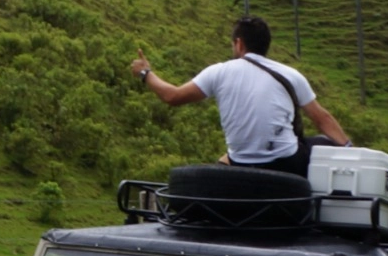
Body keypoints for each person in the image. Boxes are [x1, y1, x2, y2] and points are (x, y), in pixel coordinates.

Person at [130, 16, 350, 178]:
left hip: (241, 163)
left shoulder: (219, 71)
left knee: (232, 153)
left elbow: (172, 96)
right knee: (319, 142)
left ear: (239, 44)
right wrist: (352, 152)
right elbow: (323, 120)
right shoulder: (291, 75)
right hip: (287, 164)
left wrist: (145, 73)